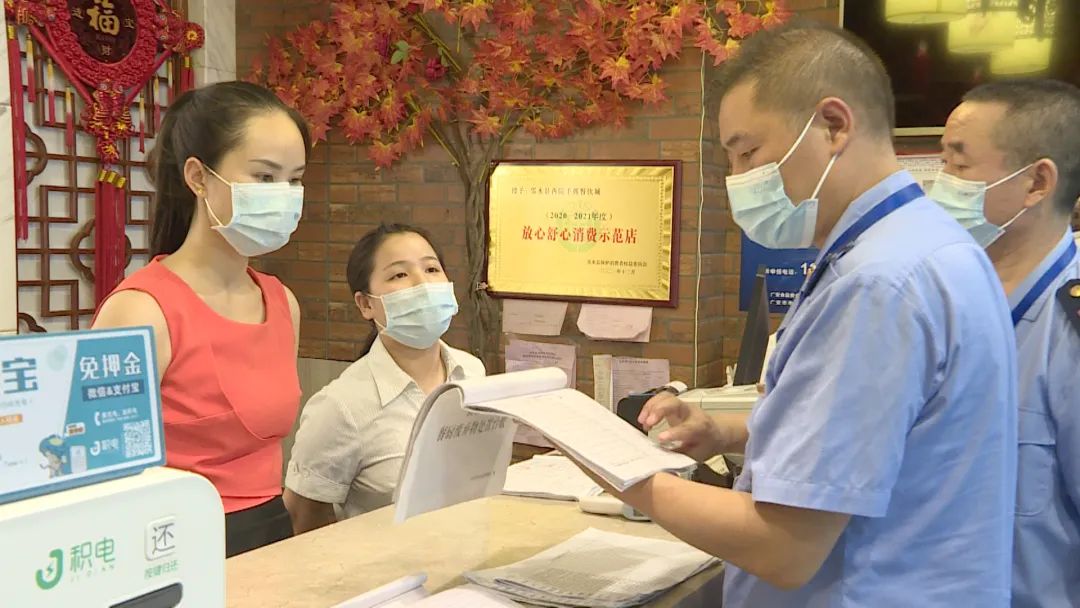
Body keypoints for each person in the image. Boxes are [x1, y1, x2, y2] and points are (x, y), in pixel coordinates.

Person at [594, 22, 1018, 607]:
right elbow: (875, 435)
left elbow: (783, 548)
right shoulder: (928, 244)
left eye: (750, 152)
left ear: (834, 125)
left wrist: (617, 470)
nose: (740, 179)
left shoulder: (876, 283)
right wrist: (722, 430)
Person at [92, 81, 310, 557]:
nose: (285, 196)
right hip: (169, 544)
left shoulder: (281, 302)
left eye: (295, 180)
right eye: (265, 177)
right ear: (198, 177)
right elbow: (98, 469)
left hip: (270, 534)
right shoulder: (141, 310)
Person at [931, 79, 1080, 608]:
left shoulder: (1068, 326)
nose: (940, 182)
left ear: (1037, 182)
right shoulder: (941, 297)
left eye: (959, 164)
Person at [283, 223, 485, 534]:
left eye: (432, 269)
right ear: (365, 304)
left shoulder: (472, 372)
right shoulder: (340, 406)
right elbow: (303, 522)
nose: (422, 284)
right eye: (399, 275)